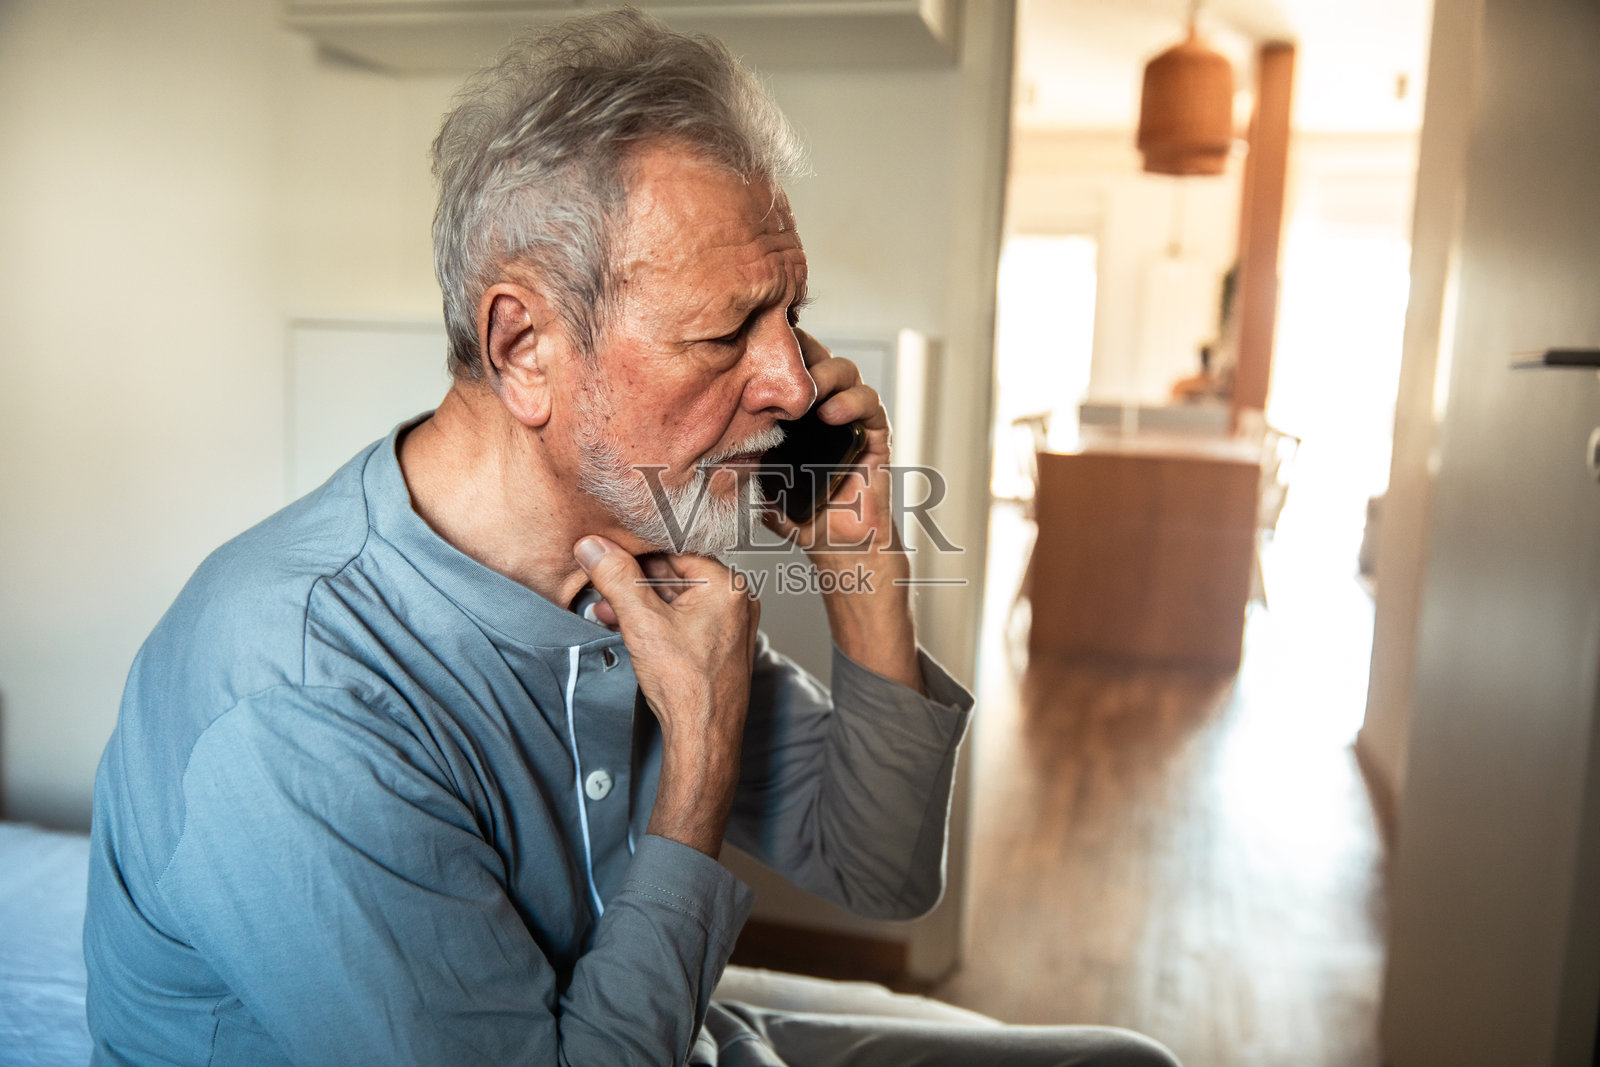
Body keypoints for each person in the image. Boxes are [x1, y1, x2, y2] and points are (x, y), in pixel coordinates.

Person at [83, 9, 1179, 1066]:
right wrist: (697, 761)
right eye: (722, 331)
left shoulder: (635, 558)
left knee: (1124, 1058)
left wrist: (860, 565)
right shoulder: (297, 690)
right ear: (523, 348)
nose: (795, 378)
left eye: (787, 313)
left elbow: (881, 869)